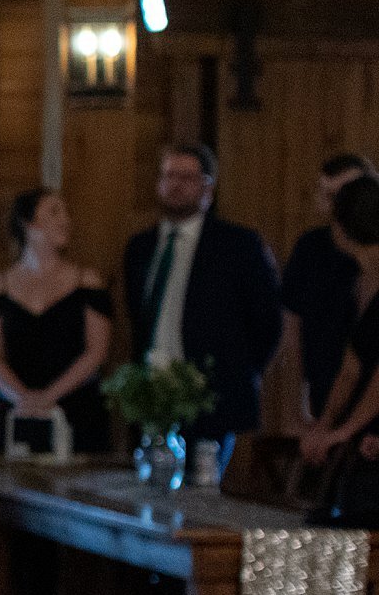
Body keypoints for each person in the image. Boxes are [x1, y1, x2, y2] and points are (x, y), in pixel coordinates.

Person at [121, 143, 282, 464]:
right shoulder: (140, 247)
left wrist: (239, 373)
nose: (176, 185)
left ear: (207, 187)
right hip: (151, 390)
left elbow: (267, 321)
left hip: (209, 393)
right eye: (169, 176)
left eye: (187, 177)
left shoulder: (238, 245)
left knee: (202, 494)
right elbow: (136, 313)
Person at [0, 188, 114, 456]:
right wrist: (24, 400)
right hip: (16, 410)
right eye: (54, 211)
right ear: (28, 223)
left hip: (77, 411)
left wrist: (50, 397)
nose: (65, 220)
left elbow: (96, 351)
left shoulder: (87, 282)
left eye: (65, 213)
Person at [299, 175, 379, 523]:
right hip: (360, 432)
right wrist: (326, 424)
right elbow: (351, 366)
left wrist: (343, 431)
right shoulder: (359, 281)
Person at [282, 152, 374, 424]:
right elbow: (292, 326)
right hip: (324, 389)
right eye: (329, 197)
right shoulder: (311, 248)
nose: (338, 209)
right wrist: (297, 401)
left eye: (346, 198)